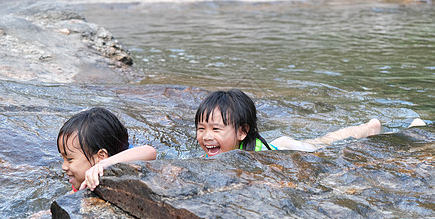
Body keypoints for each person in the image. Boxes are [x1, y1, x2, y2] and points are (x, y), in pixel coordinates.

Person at [195, 89, 386, 157]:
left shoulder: (257, 157)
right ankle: (369, 127)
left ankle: (369, 128)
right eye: (201, 129)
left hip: (291, 149)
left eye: (215, 129)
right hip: (277, 143)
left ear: (242, 132)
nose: (206, 136)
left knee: (326, 143)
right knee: (323, 139)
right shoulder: (218, 151)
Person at [58, 107, 157, 192]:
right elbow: (74, 192)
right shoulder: (82, 178)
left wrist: (105, 163)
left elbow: (150, 152)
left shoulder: (119, 168)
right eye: (64, 159)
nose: (63, 167)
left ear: (101, 156)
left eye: (69, 159)